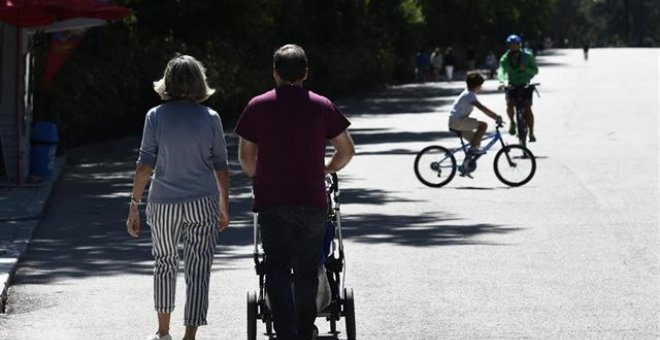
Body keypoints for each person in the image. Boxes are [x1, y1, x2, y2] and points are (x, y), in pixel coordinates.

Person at [235, 44, 355, 340]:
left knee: (276, 268)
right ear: (305, 73)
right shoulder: (321, 105)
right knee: (307, 269)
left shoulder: (257, 106)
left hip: (273, 201)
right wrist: (326, 169)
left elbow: (245, 158)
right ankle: (304, 330)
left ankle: (285, 332)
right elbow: (346, 151)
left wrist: (259, 175)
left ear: (274, 72)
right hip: (312, 201)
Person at [126, 55, 230, 340]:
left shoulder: (155, 116)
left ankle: (162, 332)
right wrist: (224, 206)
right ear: (199, 82)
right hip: (203, 201)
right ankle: (190, 337)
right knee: (199, 269)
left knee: (164, 263)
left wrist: (134, 205)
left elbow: (145, 164)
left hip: (163, 203)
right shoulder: (211, 118)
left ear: (167, 82)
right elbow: (221, 167)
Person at [448, 71, 503, 177]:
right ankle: (472, 151)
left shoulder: (468, 93)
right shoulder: (469, 95)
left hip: (457, 121)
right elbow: (482, 108)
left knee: (476, 142)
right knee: (483, 125)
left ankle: (465, 166)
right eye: (480, 86)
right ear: (477, 86)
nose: (481, 88)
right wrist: (496, 116)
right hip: (457, 122)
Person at [497, 34, 539, 141]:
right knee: (509, 103)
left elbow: (535, 70)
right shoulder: (505, 58)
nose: (512, 46)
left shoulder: (527, 56)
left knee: (527, 107)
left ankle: (531, 132)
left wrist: (525, 68)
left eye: (515, 44)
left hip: (525, 85)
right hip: (513, 84)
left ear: (519, 45)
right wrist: (501, 82)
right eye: (510, 45)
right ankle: (512, 122)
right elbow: (501, 70)